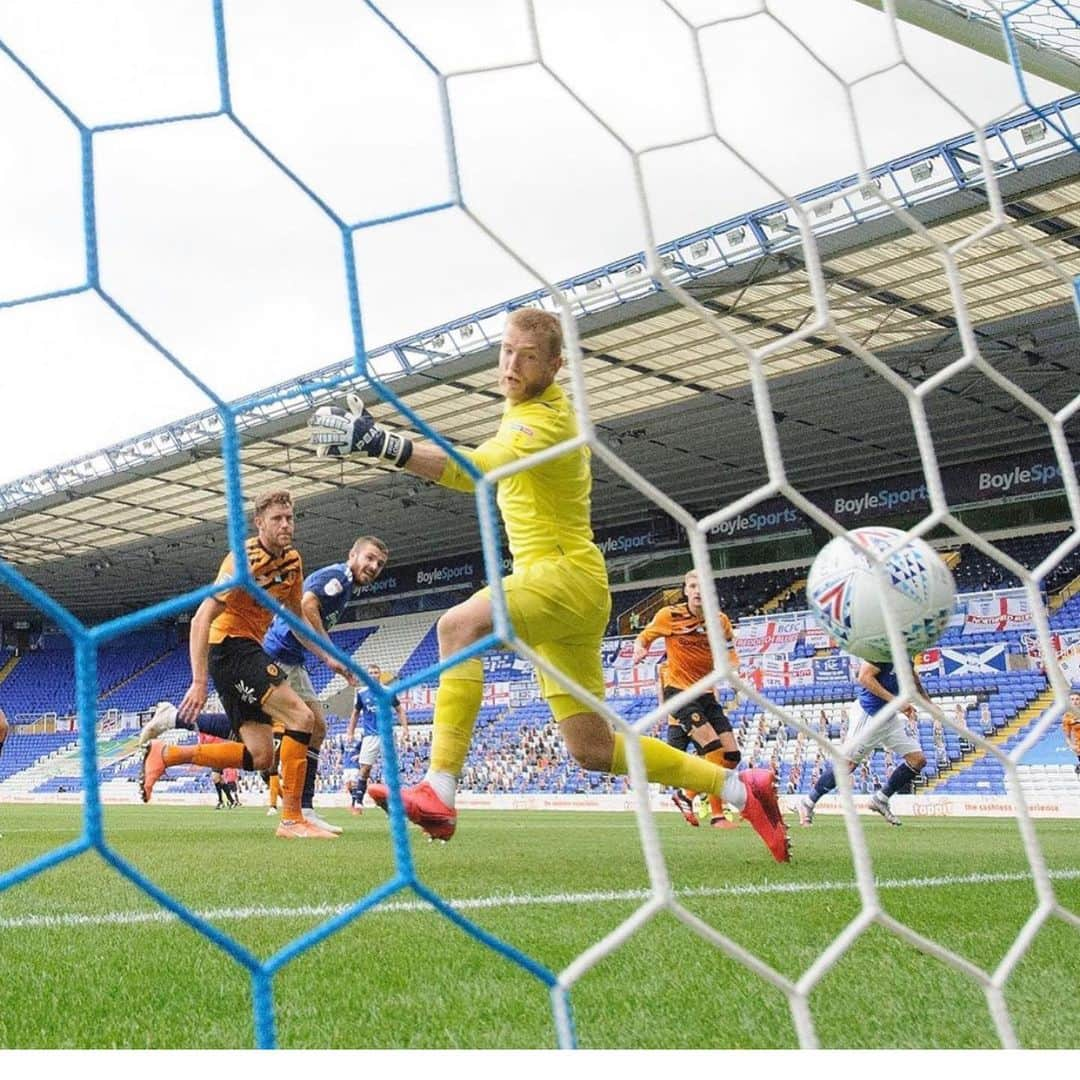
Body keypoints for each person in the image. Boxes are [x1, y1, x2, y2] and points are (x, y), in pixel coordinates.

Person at [308, 308, 788, 861]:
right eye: (506, 350)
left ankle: (439, 789)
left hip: (560, 575)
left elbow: (478, 470)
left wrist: (385, 445)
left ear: (556, 366)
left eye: (527, 357)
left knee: (457, 626)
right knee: (593, 749)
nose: (510, 364)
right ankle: (737, 787)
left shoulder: (545, 420)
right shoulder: (523, 414)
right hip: (569, 587)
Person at [140, 489, 351, 839]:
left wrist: (328, 657)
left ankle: (168, 753)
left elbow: (297, 619)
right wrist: (198, 682)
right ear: (259, 523)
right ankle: (292, 819)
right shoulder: (241, 560)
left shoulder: (293, 563)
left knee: (261, 756)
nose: (285, 525)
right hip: (229, 647)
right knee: (303, 719)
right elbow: (200, 619)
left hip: (249, 648)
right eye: (277, 519)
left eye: (289, 518)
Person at [262, 537, 390, 833]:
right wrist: (329, 653)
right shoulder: (338, 578)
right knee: (267, 738)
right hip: (278, 653)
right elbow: (307, 606)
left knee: (317, 727)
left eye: (379, 564)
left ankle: (304, 809)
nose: (373, 567)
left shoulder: (346, 587)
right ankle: (296, 811)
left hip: (293, 659)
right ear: (352, 554)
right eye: (369, 559)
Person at [632, 570, 742, 830]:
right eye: (692, 586)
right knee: (713, 750)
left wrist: (734, 668)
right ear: (685, 591)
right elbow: (645, 637)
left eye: (702, 586)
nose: (697, 590)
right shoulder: (669, 616)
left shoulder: (720, 621)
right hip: (679, 692)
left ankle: (686, 795)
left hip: (705, 693)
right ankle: (717, 816)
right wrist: (640, 648)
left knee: (732, 755)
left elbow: (730, 651)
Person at [799, 657, 928, 827]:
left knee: (918, 760)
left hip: (889, 717)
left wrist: (929, 703)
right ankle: (807, 803)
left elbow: (912, 677)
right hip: (869, 715)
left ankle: (880, 799)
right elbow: (864, 677)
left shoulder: (907, 650)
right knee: (848, 765)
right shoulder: (881, 650)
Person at [345, 663, 408, 813]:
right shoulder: (362, 693)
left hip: (387, 735)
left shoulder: (388, 691)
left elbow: (399, 710)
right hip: (370, 736)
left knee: (391, 769)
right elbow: (355, 713)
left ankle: (393, 803)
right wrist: (350, 732)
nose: (373, 674)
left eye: (375, 672)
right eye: (370, 672)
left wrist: (405, 728)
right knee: (365, 769)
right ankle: (358, 801)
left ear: (380, 674)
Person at [1064, 690, 1080, 779]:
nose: (1075, 701)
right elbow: (1067, 736)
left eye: (1077, 699)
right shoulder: (1067, 717)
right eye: (1072, 699)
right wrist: (1072, 746)